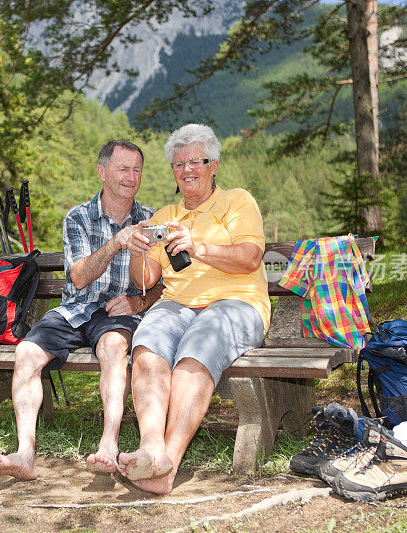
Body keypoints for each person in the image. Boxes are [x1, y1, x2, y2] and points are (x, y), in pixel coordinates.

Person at [0, 140, 160, 480]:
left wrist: (139, 302)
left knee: (113, 346)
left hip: (117, 312)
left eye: (137, 170)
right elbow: (78, 277)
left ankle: (108, 446)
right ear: (102, 172)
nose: (131, 177)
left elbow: (165, 283)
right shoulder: (78, 217)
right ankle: (25, 454)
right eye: (123, 169)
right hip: (77, 308)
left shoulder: (152, 220)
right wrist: (115, 242)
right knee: (26, 353)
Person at [118, 124, 271, 494]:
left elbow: (250, 258)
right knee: (147, 344)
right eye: (178, 163)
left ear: (213, 164)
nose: (187, 169)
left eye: (196, 161)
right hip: (176, 305)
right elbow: (148, 276)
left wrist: (197, 245)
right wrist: (137, 250)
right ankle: (151, 447)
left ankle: (167, 465)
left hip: (236, 304)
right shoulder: (166, 213)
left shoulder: (237, 201)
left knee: (197, 348)